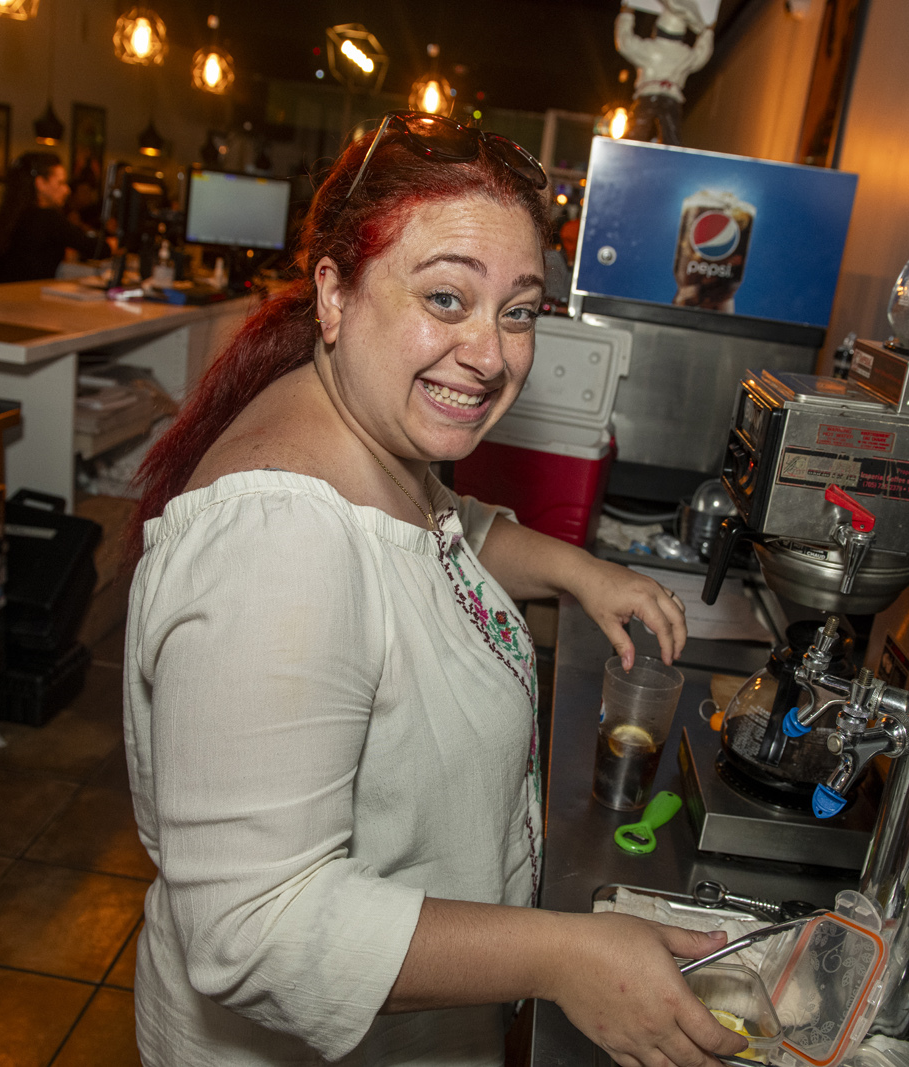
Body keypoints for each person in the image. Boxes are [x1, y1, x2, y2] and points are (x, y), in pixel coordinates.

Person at [124, 110, 747, 1066]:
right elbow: (255, 928)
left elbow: (431, 539)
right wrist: (563, 956)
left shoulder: (366, 437)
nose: (490, 354)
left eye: (519, 310)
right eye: (446, 298)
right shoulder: (279, 545)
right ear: (334, 293)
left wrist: (579, 570)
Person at [0, 151, 98, 283]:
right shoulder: (47, 217)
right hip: (27, 292)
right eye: (61, 183)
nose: (67, 190)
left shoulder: (15, 213)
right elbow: (96, 248)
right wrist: (112, 244)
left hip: (5, 289)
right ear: (40, 183)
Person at [614, 2, 714, 145]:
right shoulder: (684, 53)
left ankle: (630, 150)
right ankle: (671, 152)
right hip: (671, 98)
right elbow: (701, 55)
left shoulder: (649, 48)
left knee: (637, 131)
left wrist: (626, 14)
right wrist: (707, 33)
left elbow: (625, 42)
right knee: (671, 135)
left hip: (648, 95)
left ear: (658, 29)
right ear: (681, 34)